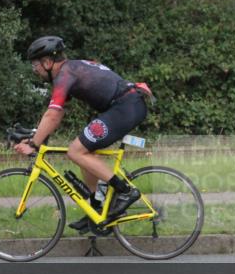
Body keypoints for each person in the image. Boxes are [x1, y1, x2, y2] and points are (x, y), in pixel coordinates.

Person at [13, 35, 152, 232]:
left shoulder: (65, 75)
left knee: (76, 151)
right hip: (126, 105)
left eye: (36, 65)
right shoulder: (71, 69)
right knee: (85, 151)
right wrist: (36, 137)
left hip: (126, 107)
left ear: (47, 62)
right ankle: (97, 209)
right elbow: (55, 114)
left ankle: (126, 192)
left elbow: (53, 116)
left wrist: (33, 144)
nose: (35, 70)